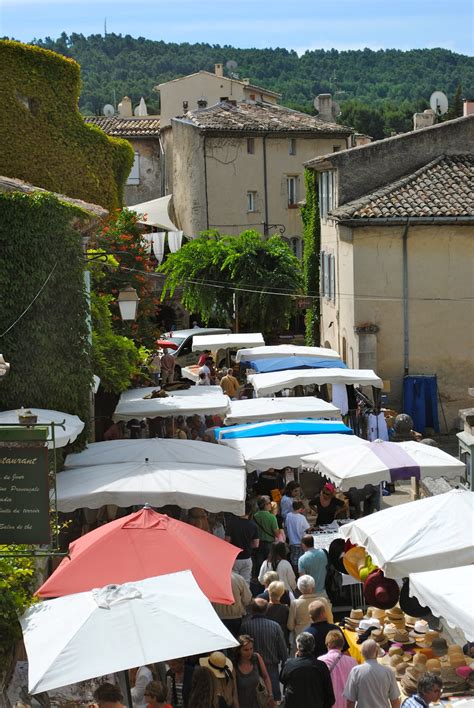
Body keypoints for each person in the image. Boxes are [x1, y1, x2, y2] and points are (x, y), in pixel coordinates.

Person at [240, 598, 288, 703]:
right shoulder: (275, 626)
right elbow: (283, 651)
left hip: (251, 670)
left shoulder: (245, 626)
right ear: (266, 610)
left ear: (252, 610)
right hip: (271, 670)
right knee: (273, 701)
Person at [280, 632, 335, 708]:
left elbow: (283, 679)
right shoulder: (321, 666)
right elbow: (329, 696)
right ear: (313, 646)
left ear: (298, 646)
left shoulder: (290, 664)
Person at [344, 638, 401, 708]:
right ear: (377, 653)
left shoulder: (355, 671)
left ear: (362, 654)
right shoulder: (388, 672)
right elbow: (395, 701)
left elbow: (350, 701)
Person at [288, 575, 334, 649]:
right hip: (322, 638)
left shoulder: (295, 604)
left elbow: (290, 626)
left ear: (299, 589)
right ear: (313, 588)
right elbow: (330, 621)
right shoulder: (323, 601)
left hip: (302, 641)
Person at [318, 629, 357, 708]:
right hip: (348, 705)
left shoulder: (321, 661)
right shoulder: (353, 662)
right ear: (342, 645)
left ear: (327, 644)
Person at [234, 634, 274, 708]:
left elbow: (266, 677)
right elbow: (234, 692)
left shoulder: (256, 658)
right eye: (245, 650)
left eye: (251, 648)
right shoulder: (234, 665)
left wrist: (270, 695)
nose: (249, 652)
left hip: (259, 703)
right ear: (239, 650)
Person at [225, 501, 259, 584]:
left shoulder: (231, 524)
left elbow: (227, 541)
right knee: (246, 582)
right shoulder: (253, 526)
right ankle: (245, 597)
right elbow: (256, 544)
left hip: (234, 557)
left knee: (233, 582)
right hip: (247, 557)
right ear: (250, 512)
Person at [213, 571, 252, 637]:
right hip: (235, 617)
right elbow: (247, 599)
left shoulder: (212, 579)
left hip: (218, 618)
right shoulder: (239, 579)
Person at [253, 496, 280, 570]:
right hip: (269, 543)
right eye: (269, 503)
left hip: (258, 542)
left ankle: (260, 577)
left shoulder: (254, 516)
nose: (271, 505)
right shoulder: (272, 517)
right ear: (264, 505)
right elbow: (277, 534)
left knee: (259, 562)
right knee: (270, 563)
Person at [285, 500, 312, 569]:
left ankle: (295, 572)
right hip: (300, 542)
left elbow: (285, 526)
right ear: (301, 508)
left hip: (292, 541)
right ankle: (299, 572)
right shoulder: (301, 518)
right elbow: (307, 528)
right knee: (301, 559)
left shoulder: (288, 515)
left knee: (294, 558)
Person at [266, 580, 290, 645]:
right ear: (282, 593)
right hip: (282, 639)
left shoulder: (264, 607)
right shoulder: (285, 609)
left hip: (267, 638)